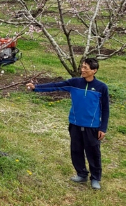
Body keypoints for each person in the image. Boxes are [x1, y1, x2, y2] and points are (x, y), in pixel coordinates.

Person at [26, 58, 109, 190]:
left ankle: (95, 178)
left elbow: (105, 109)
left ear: (94, 71)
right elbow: (56, 85)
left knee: (93, 153)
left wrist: (103, 128)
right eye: (82, 67)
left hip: (92, 127)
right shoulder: (75, 83)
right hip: (75, 124)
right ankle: (81, 174)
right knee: (76, 150)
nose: (82, 70)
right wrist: (36, 87)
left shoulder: (101, 87)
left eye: (86, 68)